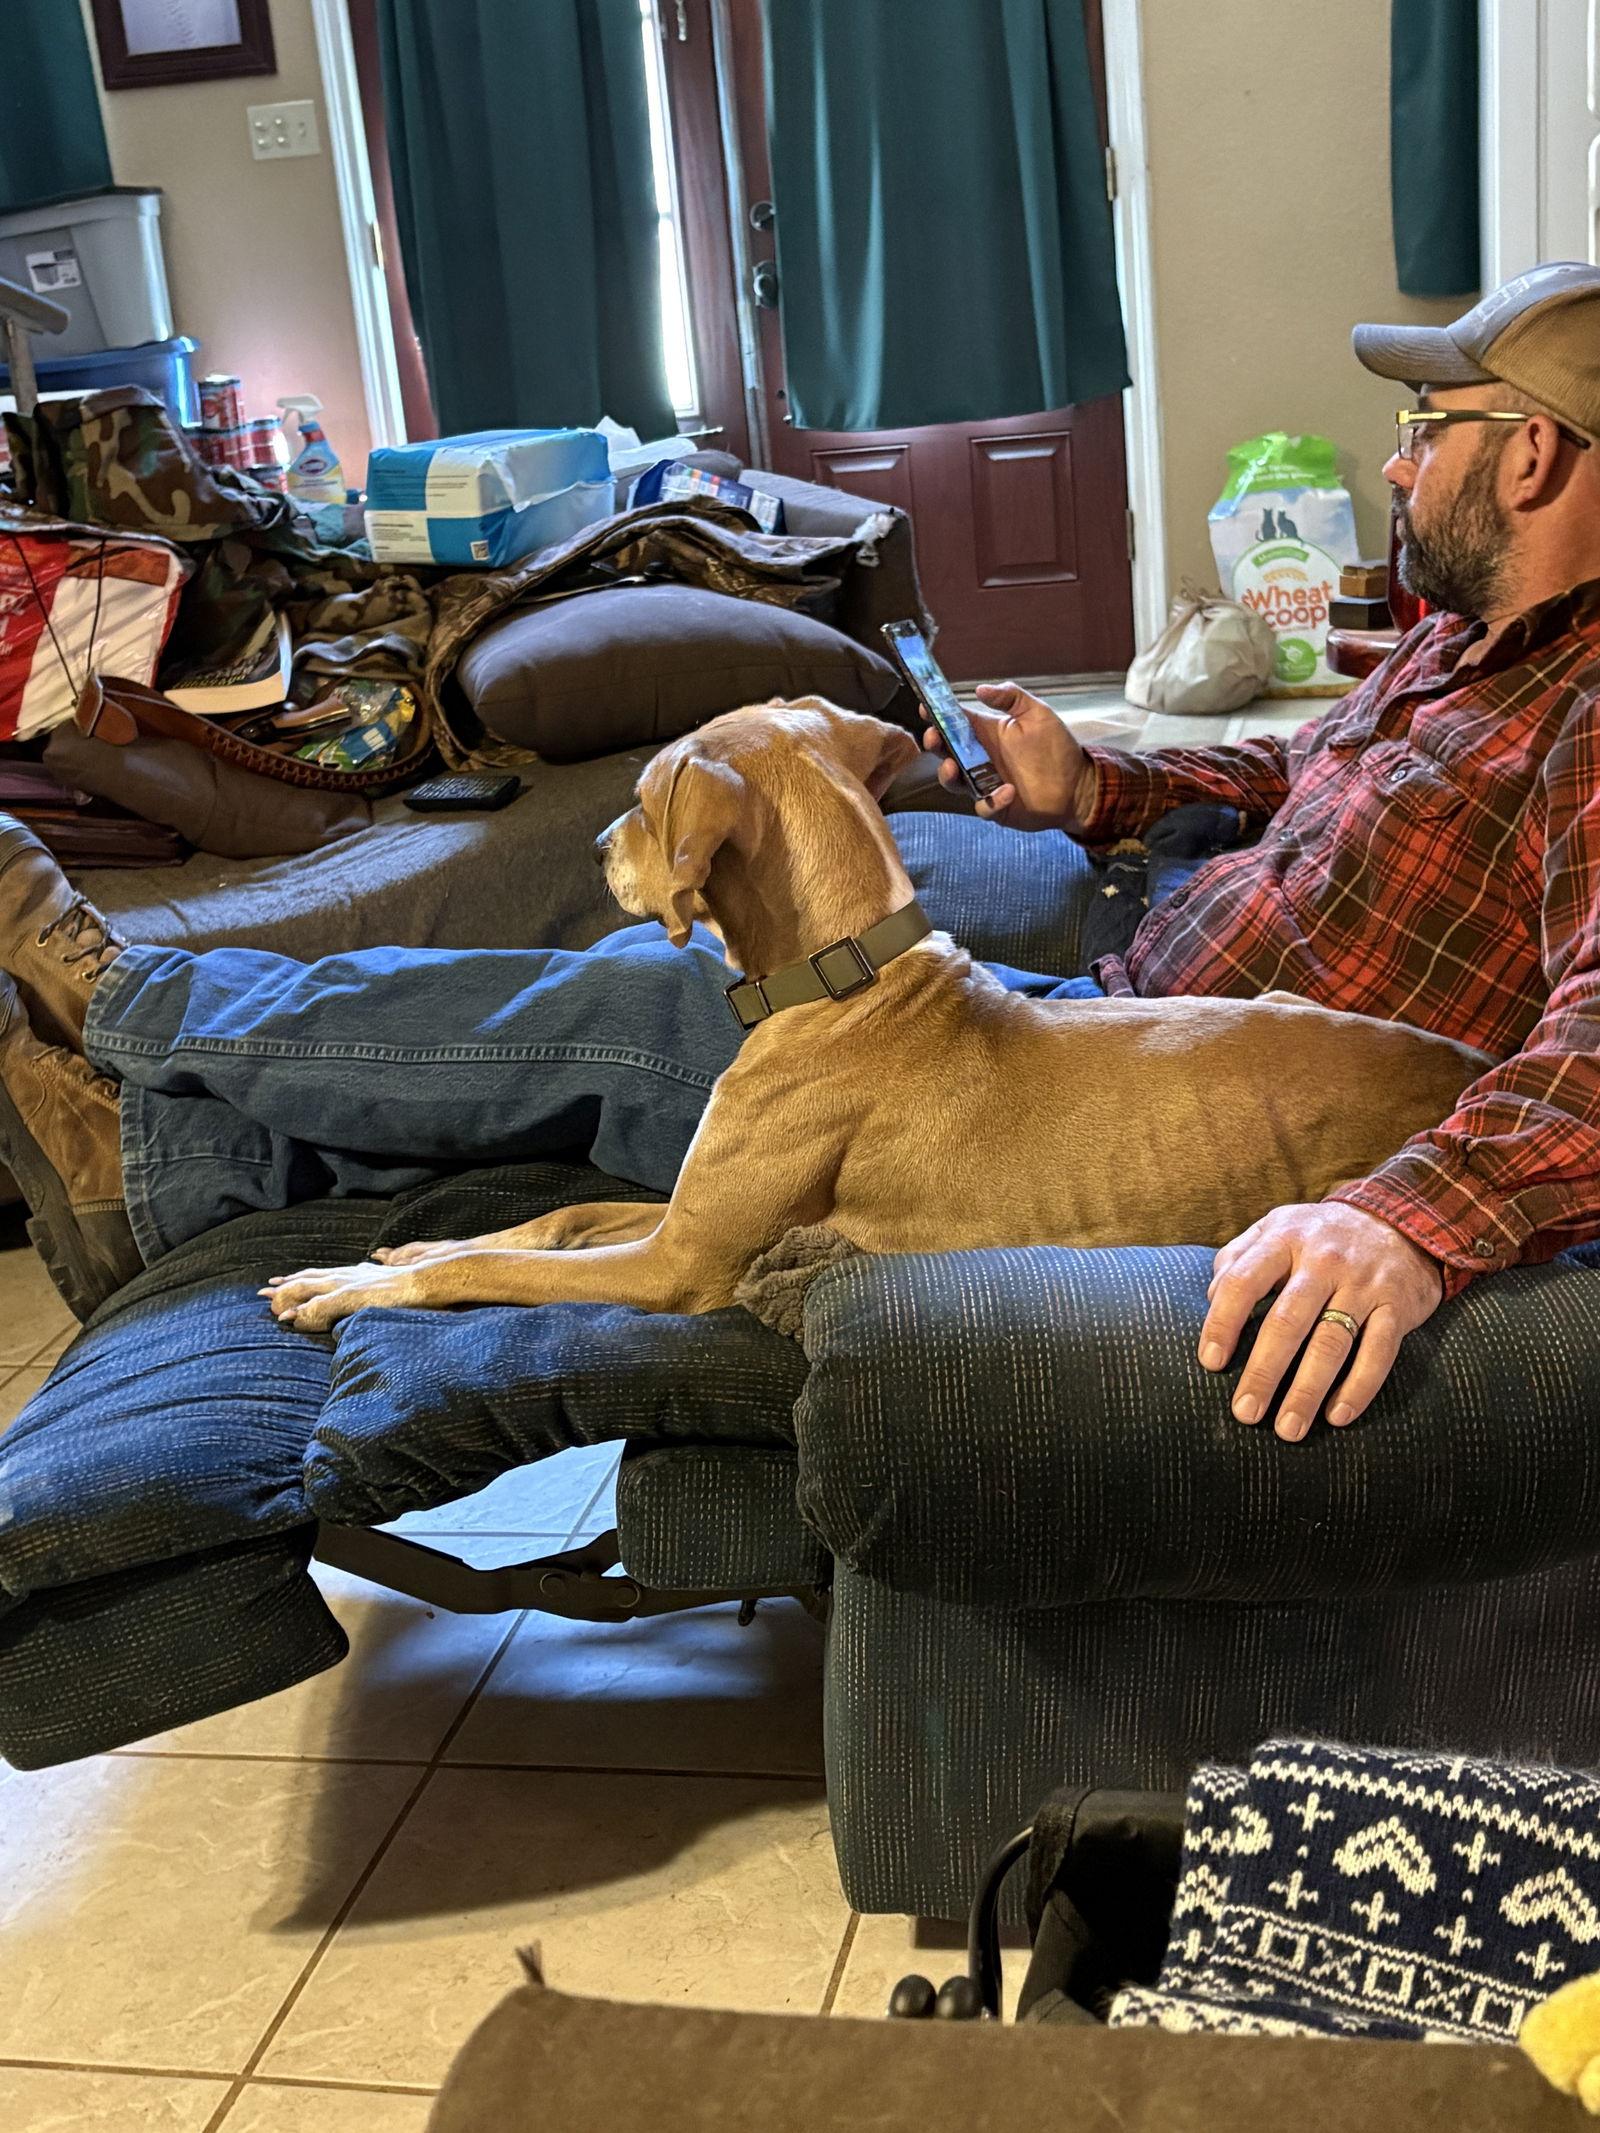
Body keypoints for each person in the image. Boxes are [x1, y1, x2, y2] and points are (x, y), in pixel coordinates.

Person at [5, 262, 1600, 1444]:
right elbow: (1298, 765)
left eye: (1431, 427)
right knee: (672, 933)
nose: (1399, 462)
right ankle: (169, 1136)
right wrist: (1096, 782)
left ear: (1530, 457)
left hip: (1148, 1054)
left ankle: (138, 1032)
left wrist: (1410, 1210)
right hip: (1130, 933)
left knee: (670, 1025)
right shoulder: (1467, 642)